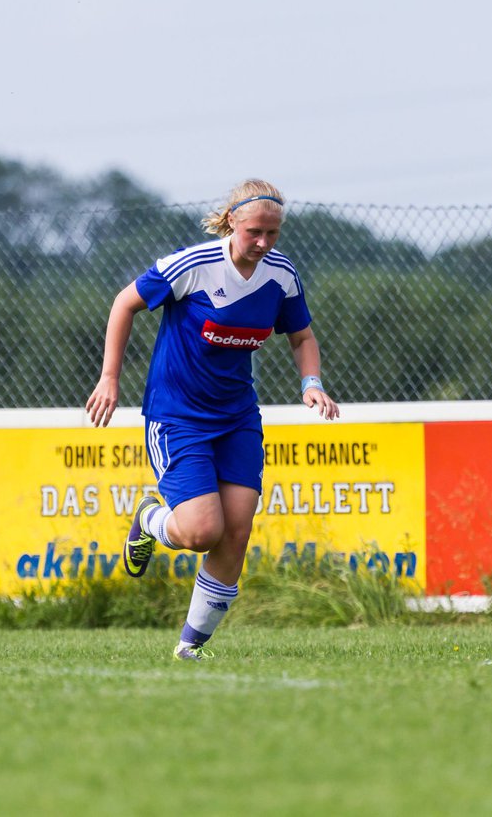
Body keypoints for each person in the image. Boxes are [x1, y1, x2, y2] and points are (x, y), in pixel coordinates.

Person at [85, 178, 339, 660]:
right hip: (178, 416)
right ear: (232, 223)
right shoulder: (193, 265)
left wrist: (312, 385)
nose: (264, 244)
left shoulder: (281, 275)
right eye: (255, 233)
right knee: (202, 531)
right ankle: (150, 518)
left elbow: (302, 337)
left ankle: (190, 647)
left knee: (237, 530)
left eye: (273, 234)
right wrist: (109, 377)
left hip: (237, 417)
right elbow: (125, 303)